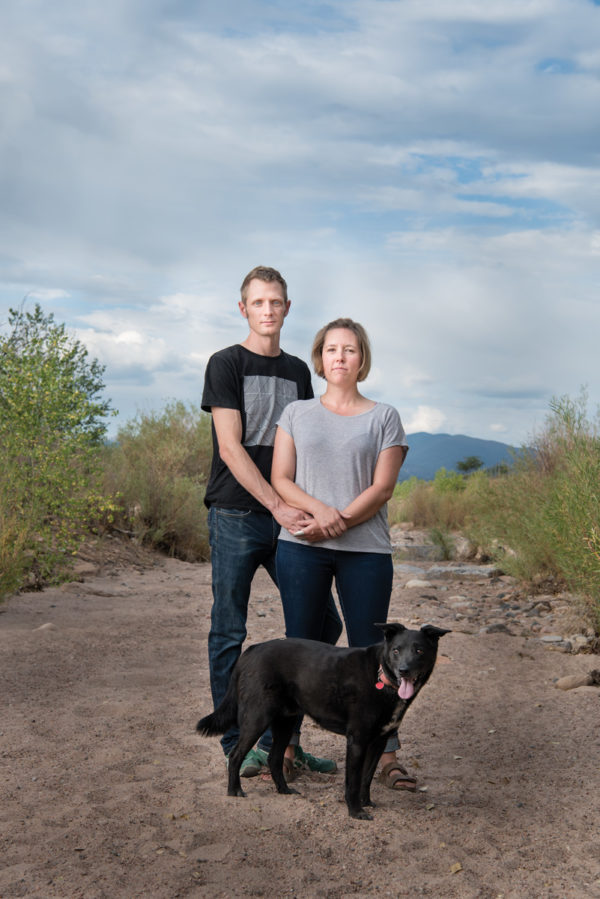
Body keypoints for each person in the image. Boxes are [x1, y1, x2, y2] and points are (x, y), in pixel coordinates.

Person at [201, 265, 342, 778]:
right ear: (244, 308)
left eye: (275, 302)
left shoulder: (299, 373)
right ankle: (238, 743)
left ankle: (288, 743)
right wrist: (276, 505)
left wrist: (313, 507)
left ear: (287, 308)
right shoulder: (225, 364)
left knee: (322, 623)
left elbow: (308, 447)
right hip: (237, 514)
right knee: (228, 630)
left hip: (290, 521)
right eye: (258, 303)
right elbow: (230, 447)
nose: (267, 310)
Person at [271, 317, 417, 791]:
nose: (340, 357)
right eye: (331, 349)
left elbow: (382, 487)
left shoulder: (384, 417)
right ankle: (287, 748)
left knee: (377, 654)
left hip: (365, 551)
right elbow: (282, 479)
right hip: (302, 547)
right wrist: (321, 515)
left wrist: (340, 522)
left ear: (362, 360)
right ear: (319, 359)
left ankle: (388, 753)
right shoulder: (296, 414)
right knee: (299, 646)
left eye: (349, 350)